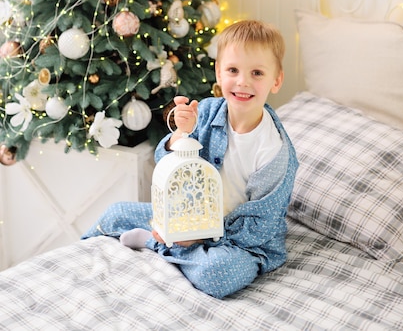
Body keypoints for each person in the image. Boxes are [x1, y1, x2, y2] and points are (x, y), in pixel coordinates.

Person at [81, 19, 298, 299]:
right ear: (219, 74)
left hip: (241, 240)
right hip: (187, 217)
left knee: (217, 274)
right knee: (115, 214)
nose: (243, 81)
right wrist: (181, 134)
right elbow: (163, 158)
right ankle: (172, 244)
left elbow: (258, 226)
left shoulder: (273, 150)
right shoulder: (206, 113)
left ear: (276, 80)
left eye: (257, 73)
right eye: (233, 70)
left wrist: (200, 236)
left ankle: (158, 244)